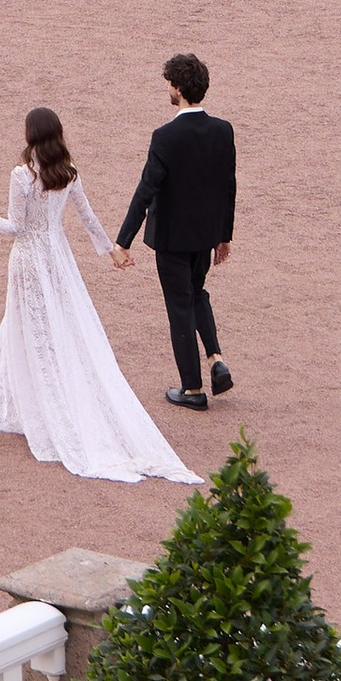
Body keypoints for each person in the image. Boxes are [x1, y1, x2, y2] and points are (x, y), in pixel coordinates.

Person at [0, 109, 194, 486]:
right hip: (59, 259)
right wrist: (112, 251)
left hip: (30, 261)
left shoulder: (23, 176)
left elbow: (16, 227)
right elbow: (87, 217)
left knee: (31, 330)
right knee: (59, 327)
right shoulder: (68, 173)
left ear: (31, 136)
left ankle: (41, 407)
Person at [114, 53, 236, 414]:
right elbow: (228, 186)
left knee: (179, 306)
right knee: (197, 293)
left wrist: (123, 241)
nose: (167, 87)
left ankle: (192, 388)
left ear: (179, 88)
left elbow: (145, 190)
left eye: (169, 82)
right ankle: (215, 357)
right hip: (204, 236)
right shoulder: (223, 130)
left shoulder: (165, 136)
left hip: (170, 238)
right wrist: (223, 235)